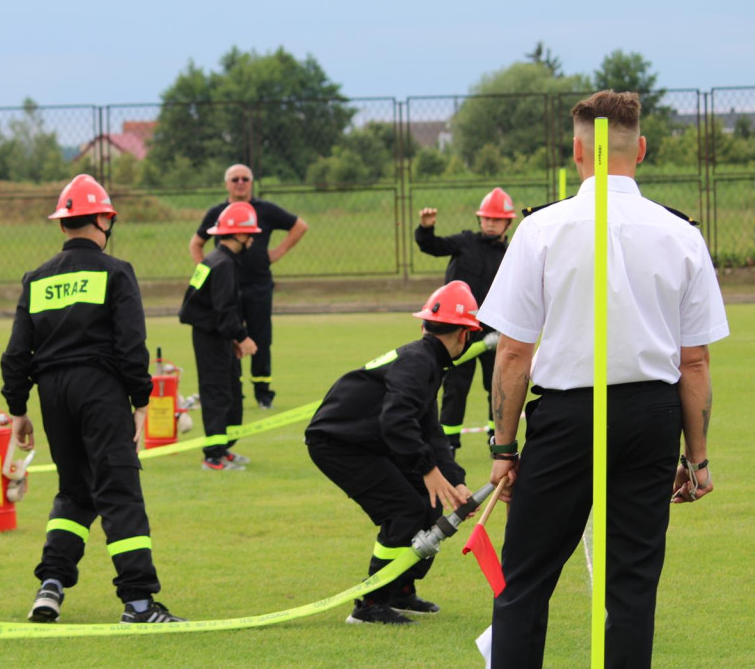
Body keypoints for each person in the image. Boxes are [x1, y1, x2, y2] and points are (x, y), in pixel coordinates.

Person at [478, 91, 729, 668]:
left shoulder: (541, 229)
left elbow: (514, 352)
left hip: (567, 418)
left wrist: (504, 447)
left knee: (525, 578)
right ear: (639, 149)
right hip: (650, 417)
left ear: (576, 152)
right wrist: (699, 457)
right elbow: (695, 362)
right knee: (633, 585)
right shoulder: (680, 234)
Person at [0, 174, 184, 625]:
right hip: (99, 391)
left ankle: (51, 586)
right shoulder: (117, 272)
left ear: (63, 225)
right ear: (104, 219)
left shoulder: (37, 279)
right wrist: (142, 399)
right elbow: (131, 345)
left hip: (53, 396)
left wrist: (18, 409)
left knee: (75, 491)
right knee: (119, 491)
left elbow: (16, 354)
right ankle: (139, 604)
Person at [305, 281, 477, 625]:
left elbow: (429, 429)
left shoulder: (428, 361)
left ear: (424, 325)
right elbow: (397, 421)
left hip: (368, 441)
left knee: (428, 504)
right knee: (404, 510)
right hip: (337, 444)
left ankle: (400, 590)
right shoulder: (419, 362)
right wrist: (427, 469)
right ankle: (370, 604)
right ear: (465, 336)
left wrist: (455, 482)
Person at [189, 164, 309, 410]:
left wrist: (276, 252)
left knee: (261, 340)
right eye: (235, 179)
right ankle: (233, 392)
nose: (240, 183)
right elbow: (196, 244)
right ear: (227, 184)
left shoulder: (265, 209)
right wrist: (209, 274)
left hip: (258, 286)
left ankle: (263, 393)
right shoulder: (218, 212)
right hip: (226, 290)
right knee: (228, 338)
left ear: (251, 183)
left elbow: (300, 226)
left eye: (245, 178)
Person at [414, 187, 514, 456]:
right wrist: (425, 229)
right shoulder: (465, 242)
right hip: (458, 332)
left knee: (498, 388)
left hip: (496, 332)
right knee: (455, 390)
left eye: (496, 219)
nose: (490, 223)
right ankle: (448, 446)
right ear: (479, 219)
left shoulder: (513, 253)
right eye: (486, 218)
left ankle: (499, 442)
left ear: (508, 222)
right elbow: (432, 246)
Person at [179, 201, 260, 471]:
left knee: (230, 391)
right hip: (210, 338)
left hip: (216, 336)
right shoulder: (223, 264)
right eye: (250, 234)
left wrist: (232, 340)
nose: (252, 240)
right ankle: (212, 457)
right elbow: (224, 309)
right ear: (238, 235)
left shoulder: (215, 260)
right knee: (216, 392)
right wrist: (242, 337)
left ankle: (223, 449)